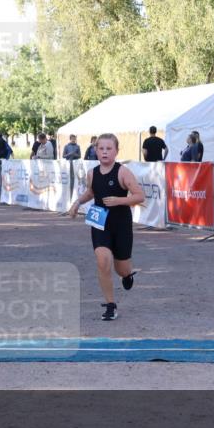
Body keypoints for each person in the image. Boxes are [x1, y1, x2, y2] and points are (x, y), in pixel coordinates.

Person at [67, 134, 145, 321]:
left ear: (116, 151)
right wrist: (77, 202)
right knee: (102, 260)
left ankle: (127, 275)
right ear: (95, 150)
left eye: (109, 149)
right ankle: (111, 305)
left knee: (122, 269)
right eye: (101, 148)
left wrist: (119, 200)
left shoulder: (123, 172)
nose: (104, 152)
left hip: (121, 224)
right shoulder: (92, 173)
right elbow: (92, 192)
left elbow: (139, 196)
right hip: (100, 223)